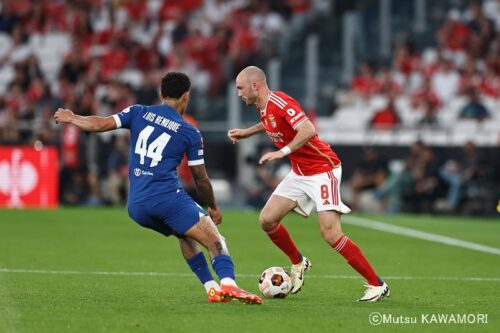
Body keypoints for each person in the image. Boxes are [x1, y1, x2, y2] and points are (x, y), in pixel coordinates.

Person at [54, 72, 262, 305]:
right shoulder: (189, 131)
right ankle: (229, 285)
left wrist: (72, 117)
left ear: (161, 94)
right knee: (215, 239)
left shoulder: (138, 112)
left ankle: (211, 288)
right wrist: (213, 206)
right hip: (166, 198)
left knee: (184, 234)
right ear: (186, 97)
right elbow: (200, 178)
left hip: (136, 205)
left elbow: (100, 124)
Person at [228, 66, 389, 302]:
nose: (238, 93)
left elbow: (308, 128)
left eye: (240, 88)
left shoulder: (280, 101)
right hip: (300, 172)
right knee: (267, 219)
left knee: (330, 233)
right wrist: (246, 132)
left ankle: (377, 285)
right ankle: (298, 262)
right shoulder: (263, 107)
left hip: (323, 169)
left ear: (255, 86)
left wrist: (283, 151)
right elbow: (271, 123)